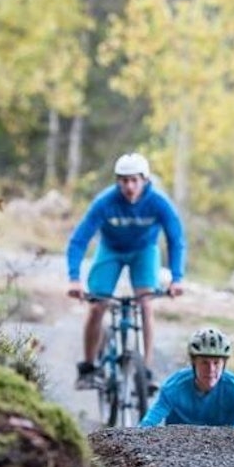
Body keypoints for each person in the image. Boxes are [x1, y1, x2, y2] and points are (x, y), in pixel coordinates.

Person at [67, 152, 186, 390]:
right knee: (97, 305)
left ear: (145, 179)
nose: (129, 186)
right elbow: (78, 240)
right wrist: (74, 279)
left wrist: (177, 278)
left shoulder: (158, 202)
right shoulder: (105, 202)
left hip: (144, 251)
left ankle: (147, 372)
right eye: (123, 180)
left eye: (134, 180)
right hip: (110, 250)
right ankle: (89, 368)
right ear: (117, 181)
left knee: (146, 304)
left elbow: (176, 240)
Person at [139, 327, 234, 427]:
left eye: (216, 363)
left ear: (224, 364)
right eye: (204, 363)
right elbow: (147, 425)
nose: (211, 369)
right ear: (193, 363)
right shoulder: (173, 388)